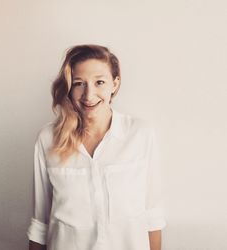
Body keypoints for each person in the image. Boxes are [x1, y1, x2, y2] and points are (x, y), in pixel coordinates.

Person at [27, 44, 166, 250]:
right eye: (79, 83)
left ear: (115, 84)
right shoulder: (48, 139)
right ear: (69, 87)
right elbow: (40, 223)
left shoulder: (140, 134)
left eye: (99, 82)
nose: (88, 95)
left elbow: (152, 216)